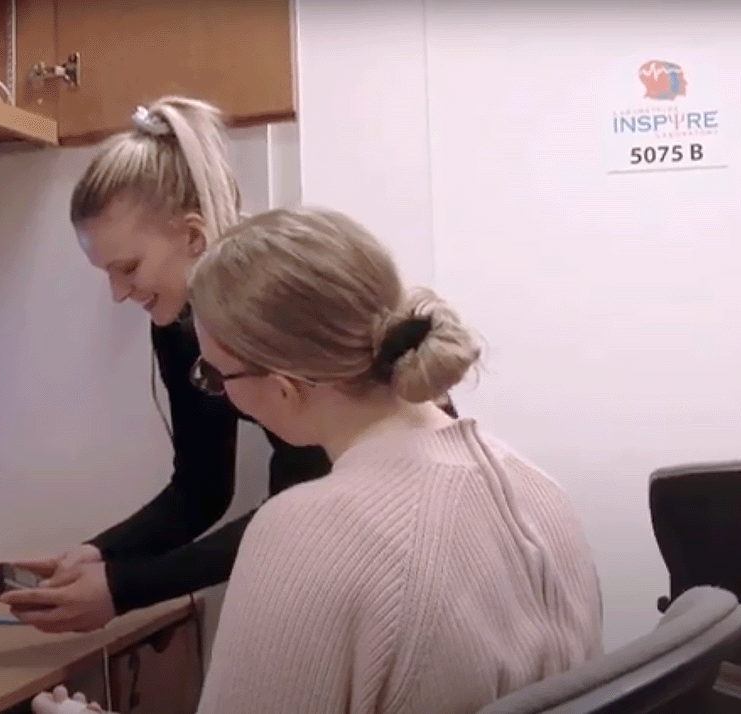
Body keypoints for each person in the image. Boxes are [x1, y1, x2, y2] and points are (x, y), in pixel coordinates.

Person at [33, 206, 603, 714]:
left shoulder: (303, 535)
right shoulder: (540, 491)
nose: (215, 389)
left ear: (284, 390)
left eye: (213, 376)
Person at [0, 97, 430, 633]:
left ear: (193, 236)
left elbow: (299, 504)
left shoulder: (281, 301)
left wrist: (123, 589)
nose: (116, 294)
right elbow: (202, 488)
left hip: (400, 534)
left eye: (127, 268)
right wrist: (99, 556)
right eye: (106, 273)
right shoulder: (177, 326)